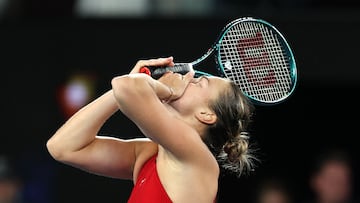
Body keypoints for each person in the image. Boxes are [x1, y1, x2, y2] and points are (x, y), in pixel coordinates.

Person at [46, 56, 258, 202]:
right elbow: (63, 147)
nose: (189, 78)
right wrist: (124, 88)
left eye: (200, 83)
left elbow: (127, 88)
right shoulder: (148, 153)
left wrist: (161, 89)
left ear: (207, 115)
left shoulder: (199, 160)